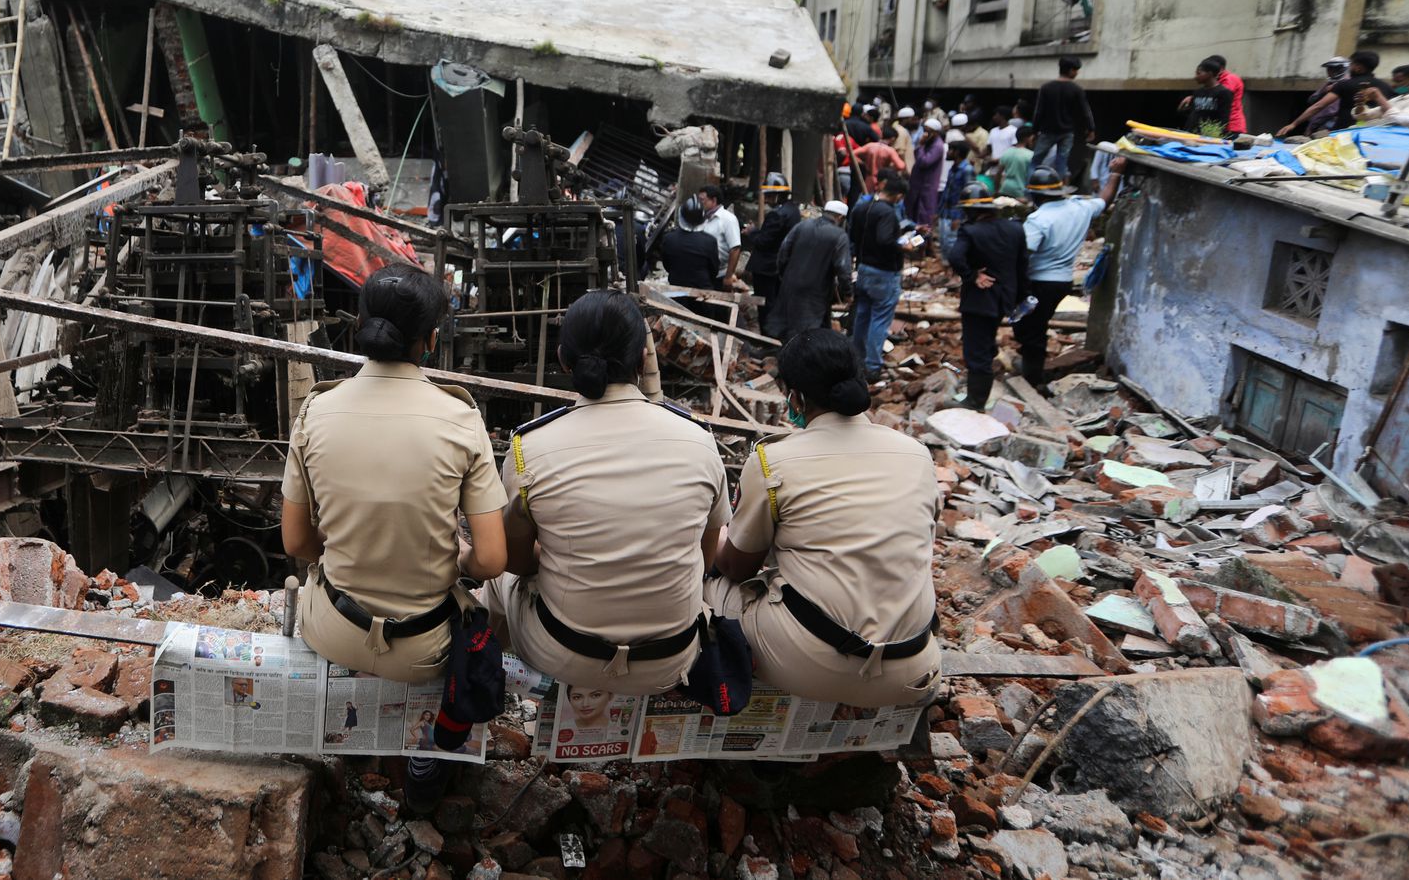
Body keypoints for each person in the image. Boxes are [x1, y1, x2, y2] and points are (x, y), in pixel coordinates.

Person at [282, 263, 508, 805]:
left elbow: (296, 544)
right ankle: (431, 754)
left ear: (360, 324)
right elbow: (494, 559)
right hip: (424, 649)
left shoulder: (316, 410)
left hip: (333, 629)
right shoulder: (461, 419)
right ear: (430, 340)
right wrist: (456, 562)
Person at [480, 292, 728, 695]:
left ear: (563, 358)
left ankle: (486, 686)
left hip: (561, 652)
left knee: (496, 581)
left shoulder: (530, 448)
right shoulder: (699, 440)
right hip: (671, 659)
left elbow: (521, 561)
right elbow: (706, 556)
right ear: (643, 359)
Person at [707, 330, 942, 707]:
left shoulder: (772, 461)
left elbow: (737, 567)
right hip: (913, 669)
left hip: (813, 666)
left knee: (710, 591)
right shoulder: (916, 453)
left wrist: (713, 539)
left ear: (795, 396)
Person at [1015, 166, 1120, 388]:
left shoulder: (1038, 219)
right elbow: (1105, 199)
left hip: (1039, 281)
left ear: (1036, 195)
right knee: (1037, 325)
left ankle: (1033, 380)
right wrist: (1115, 174)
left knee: (1031, 329)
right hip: (1063, 281)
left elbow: (1024, 255)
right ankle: (1031, 368)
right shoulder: (1080, 208)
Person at [947, 197, 1029, 411]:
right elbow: (1022, 265)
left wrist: (971, 276)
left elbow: (955, 257)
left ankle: (975, 402)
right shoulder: (1015, 229)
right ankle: (980, 388)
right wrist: (1021, 296)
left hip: (980, 299)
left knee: (977, 351)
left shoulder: (971, 231)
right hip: (1005, 299)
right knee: (985, 341)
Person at [848, 174, 907, 381]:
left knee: (863, 315)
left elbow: (852, 235)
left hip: (864, 268)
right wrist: (903, 245)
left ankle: (856, 359)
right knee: (879, 319)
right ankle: (872, 365)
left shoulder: (862, 207)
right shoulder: (888, 214)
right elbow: (884, 239)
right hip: (884, 272)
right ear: (898, 196)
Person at [773, 199, 853, 341]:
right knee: (807, 331)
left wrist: (784, 275)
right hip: (816, 291)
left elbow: (783, 252)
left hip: (790, 284)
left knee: (791, 324)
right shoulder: (840, 236)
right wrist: (847, 293)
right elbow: (843, 268)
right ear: (840, 217)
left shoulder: (802, 226)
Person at [743, 189, 802, 339]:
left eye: (769, 196)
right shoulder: (793, 210)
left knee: (765, 305)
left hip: (766, 268)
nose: (767, 200)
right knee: (775, 303)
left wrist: (752, 232)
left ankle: (768, 339)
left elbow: (764, 241)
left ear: (777, 195)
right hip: (779, 267)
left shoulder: (777, 214)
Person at [1032, 57, 1093, 177]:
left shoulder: (1046, 88)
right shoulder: (1077, 90)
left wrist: (1034, 131)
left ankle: (1029, 190)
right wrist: (1091, 128)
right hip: (1066, 133)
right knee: (1061, 164)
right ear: (1070, 70)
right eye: (1076, 70)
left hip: (1047, 131)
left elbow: (1039, 112)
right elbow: (1085, 111)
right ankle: (1057, 192)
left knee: (1035, 162)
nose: (1077, 73)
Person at [678, 185, 743, 289]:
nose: (699, 203)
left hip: (719, 275)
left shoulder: (728, 219)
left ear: (713, 200)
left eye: (702, 200)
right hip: (700, 272)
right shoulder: (701, 217)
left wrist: (728, 276)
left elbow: (735, 249)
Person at [1279, 56, 1353, 136]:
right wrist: (1324, 92)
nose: (1330, 71)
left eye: (1334, 68)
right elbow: (1312, 100)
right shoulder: (1330, 84)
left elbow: (1326, 109)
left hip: (1332, 126)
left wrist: (1309, 125)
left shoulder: (1345, 84)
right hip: (1320, 124)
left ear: (1342, 69)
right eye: (1329, 68)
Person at [936, 141, 977, 257]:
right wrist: (938, 211)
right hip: (946, 212)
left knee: (953, 243)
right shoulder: (953, 169)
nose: (947, 153)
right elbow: (947, 191)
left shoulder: (967, 170)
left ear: (957, 152)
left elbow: (969, 195)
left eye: (950, 150)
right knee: (944, 241)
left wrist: (960, 217)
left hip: (956, 214)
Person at [906, 120, 946, 229]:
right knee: (913, 212)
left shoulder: (937, 146)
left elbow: (924, 162)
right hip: (918, 184)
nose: (925, 134)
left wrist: (921, 145)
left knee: (924, 215)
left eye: (928, 132)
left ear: (936, 133)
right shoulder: (929, 143)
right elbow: (916, 155)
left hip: (927, 185)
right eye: (925, 131)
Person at [1179, 61, 1237, 137]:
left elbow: (1224, 119)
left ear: (1210, 74)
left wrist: (1215, 135)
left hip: (1209, 135)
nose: (1195, 76)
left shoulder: (1223, 93)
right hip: (1192, 133)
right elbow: (1193, 113)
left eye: (1198, 73)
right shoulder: (1198, 92)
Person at [1203, 55, 1247, 135]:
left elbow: (1219, 95)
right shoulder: (1217, 80)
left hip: (1232, 126)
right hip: (1219, 125)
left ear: (1221, 69)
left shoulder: (1230, 79)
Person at [997, 126, 1036, 198]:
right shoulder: (1030, 155)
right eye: (1032, 138)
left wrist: (997, 191)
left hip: (1005, 189)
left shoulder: (1007, 152)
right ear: (1026, 138)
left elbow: (998, 173)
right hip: (1020, 191)